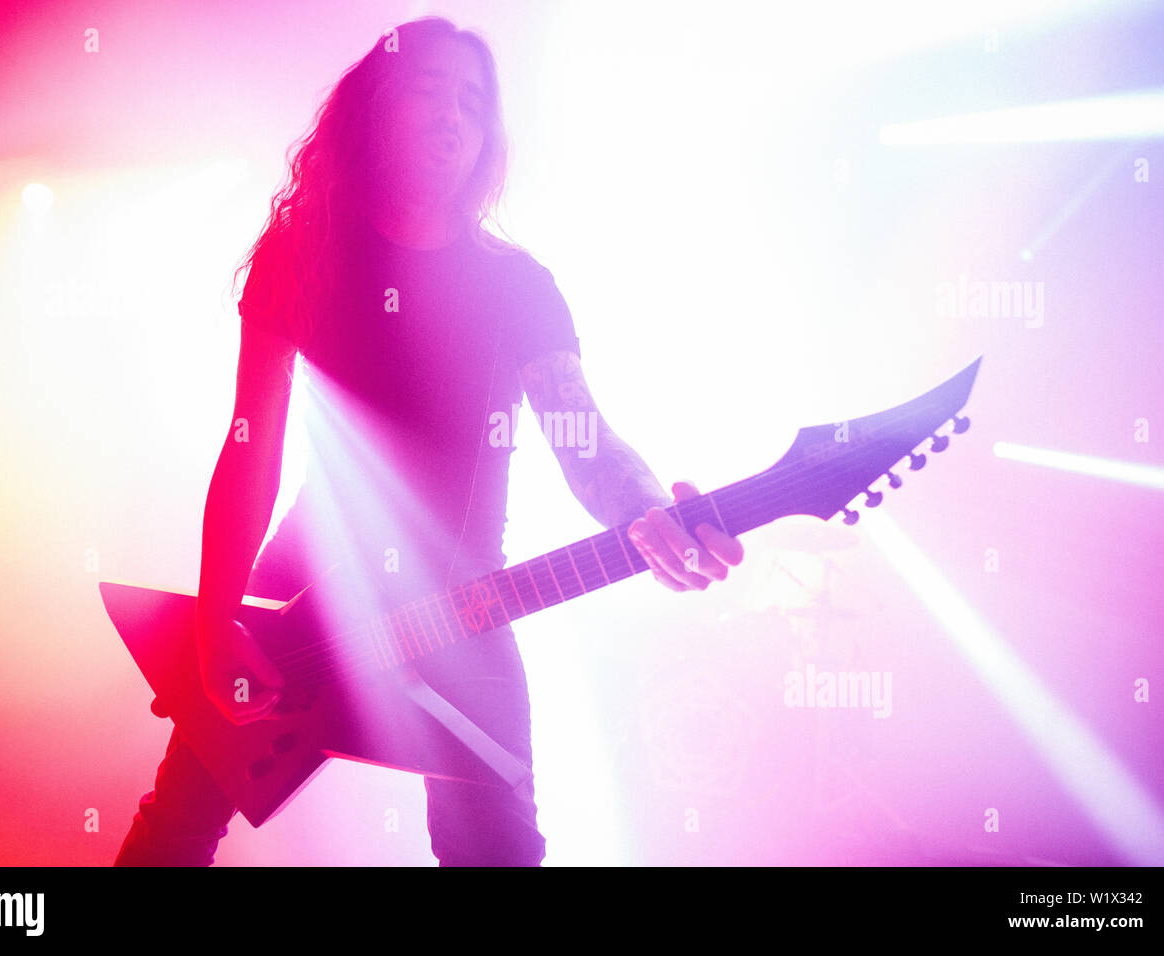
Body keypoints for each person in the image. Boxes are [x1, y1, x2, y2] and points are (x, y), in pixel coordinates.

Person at [114, 16, 744, 867]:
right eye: (429, 89)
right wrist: (219, 614)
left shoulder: (516, 285)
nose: (454, 115)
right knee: (176, 829)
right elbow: (249, 445)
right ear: (373, 108)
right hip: (303, 584)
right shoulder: (301, 253)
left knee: (497, 851)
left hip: (468, 601)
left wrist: (642, 508)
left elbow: (579, 431)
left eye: (474, 103)